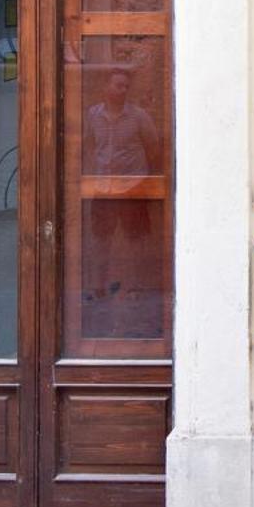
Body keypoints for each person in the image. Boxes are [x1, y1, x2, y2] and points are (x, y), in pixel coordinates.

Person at [80, 68, 164, 338]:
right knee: (100, 238)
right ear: (106, 87)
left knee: (135, 240)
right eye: (118, 85)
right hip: (103, 187)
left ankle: (135, 287)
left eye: (126, 86)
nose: (122, 90)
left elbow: (154, 146)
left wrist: (142, 178)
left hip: (132, 187)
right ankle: (99, 287)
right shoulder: (93, 115)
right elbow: (88, 145)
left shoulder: (139, 116)